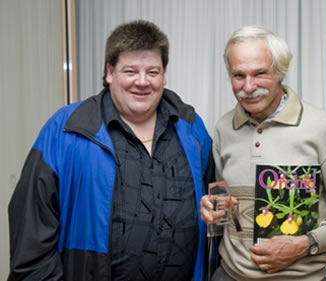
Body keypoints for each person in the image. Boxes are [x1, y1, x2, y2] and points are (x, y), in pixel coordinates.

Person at [8, 20, 214, 281]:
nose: (142, 82)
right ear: (109, 72)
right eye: (130, 71)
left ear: (164, 75)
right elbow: (31, 236)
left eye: (153, 72)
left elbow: (215, 214)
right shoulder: (68, 131)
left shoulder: (193, 131)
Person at [200, 25, 326, 281]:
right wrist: (214, 211)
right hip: (228, 275)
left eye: (259, 73)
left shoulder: (325, 128)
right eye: (238, 75)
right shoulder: (223, 127)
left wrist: (307, 243)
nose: (248, 87)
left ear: (280, 73)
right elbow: (228, 206)